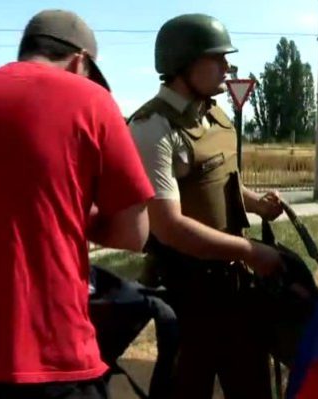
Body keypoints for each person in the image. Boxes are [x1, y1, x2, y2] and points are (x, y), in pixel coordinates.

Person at [0, 9, 154, 399]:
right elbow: (135, 232)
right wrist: (68, 215)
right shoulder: (92, 101)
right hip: (49, 354)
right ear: (80, 61)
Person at [128, 13, 284, 399]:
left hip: (234, 288)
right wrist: (253, 251)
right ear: (185, 62)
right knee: (185, 385)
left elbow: (220, 182)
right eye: (217, 58)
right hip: (187, 293)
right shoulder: (153, 127)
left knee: (252, 384)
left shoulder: (213, 114)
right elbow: (169, 226)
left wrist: (256, 205)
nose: (227, 67)